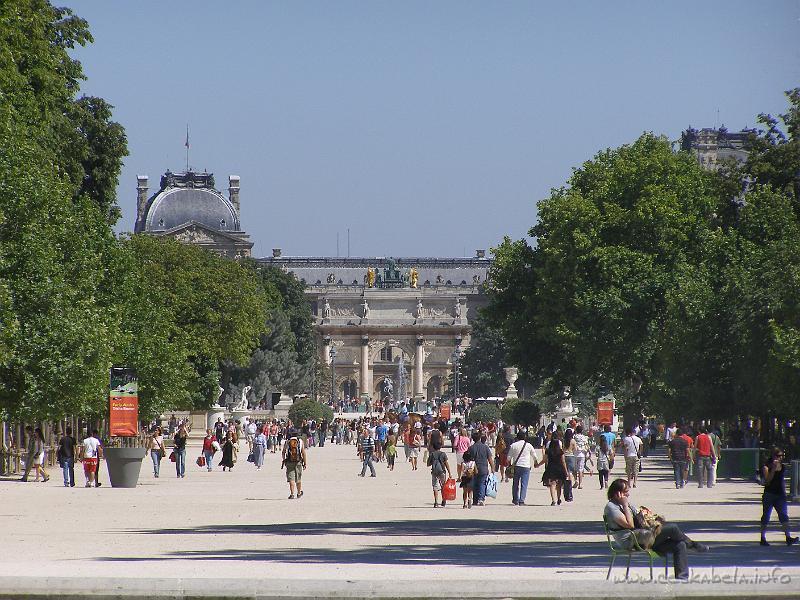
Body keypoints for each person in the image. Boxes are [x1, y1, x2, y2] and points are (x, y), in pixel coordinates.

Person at [604, 478, 708, 580]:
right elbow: (630, 525)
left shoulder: (625, 503)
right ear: (618, 493)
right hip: (633, 542)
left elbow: (639, 517)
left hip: (644, 537)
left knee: (680, 545)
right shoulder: (612, 507)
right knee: (672, 528)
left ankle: (682, 578)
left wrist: (647, 515)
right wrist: (625, 506)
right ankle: (693, 544)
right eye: (626, 492)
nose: (628, 494)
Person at [759, 447, 799, 546]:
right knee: (766, 516)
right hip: (769, 494)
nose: (780, 458)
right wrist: (773, 469)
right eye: (778, 456)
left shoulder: (783, 466)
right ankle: (763, 538)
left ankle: (788, 537)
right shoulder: (766, 467)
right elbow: (767, 481)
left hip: (780, 495)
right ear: (773, 456)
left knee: (784, 516)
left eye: (781, 456)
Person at [507, 430, 537, 505]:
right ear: (525, 437)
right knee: (524, 484)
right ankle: (521, 500)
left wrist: (510, 465)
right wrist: (535, 463)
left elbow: (508, 458)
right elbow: (534, 455)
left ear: (517, 437)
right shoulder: (529, 445)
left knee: (515, 484)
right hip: (526, 466)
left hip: (516, 466)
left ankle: (515, 499)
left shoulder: (513, 445)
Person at [537, 436, 567, 505]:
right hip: (559, 468)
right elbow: (563, 461)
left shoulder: (548, 451)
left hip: (551, 468)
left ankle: (553, 500)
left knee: (552, 484)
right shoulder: (560, 451)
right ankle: (559, 498)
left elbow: (544, 460)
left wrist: (538, 465)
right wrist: (566, 471)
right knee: (559, 484)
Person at [427, 437, 452, 508]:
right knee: (443, 486)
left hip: (434, 471)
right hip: (442, 471)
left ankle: (436, 502)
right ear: (440, 447)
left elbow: (428, 464)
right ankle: (444, 500)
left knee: (435, 486)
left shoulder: (432, 454)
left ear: (433, 447)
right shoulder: (443, 454)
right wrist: (450, 472)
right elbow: (446, 463)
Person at [470, 431, 493, 506]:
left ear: (473, 439)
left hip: (474, 468)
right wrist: (492, 467)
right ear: (480, 438)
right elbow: (490, 458)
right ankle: (481, 499)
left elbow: (469, 459)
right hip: (483, 468)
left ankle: (475, 500)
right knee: (482, 483)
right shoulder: (485, 447)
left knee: (475, 483)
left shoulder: (471, 448)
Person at [282, 429, 307, 499]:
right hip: (298, 462)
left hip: (289, 461)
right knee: (298, 478)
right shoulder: (300, 441)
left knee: (291, 478)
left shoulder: (287, 441)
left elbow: (283, 452)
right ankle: (299, 493)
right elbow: (303, 453)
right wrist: (305, 463)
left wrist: (284, 460)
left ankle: (292, 494)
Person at [573, 425, 590, 489]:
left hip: (575, 454)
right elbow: (587, 445)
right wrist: (589, 453)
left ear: (576, 430)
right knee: (580, 469)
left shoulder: (574, 437)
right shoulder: (584, 437)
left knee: (574, 469)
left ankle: (576, 481)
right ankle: (580, 484)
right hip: (582, 454)